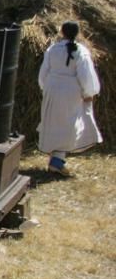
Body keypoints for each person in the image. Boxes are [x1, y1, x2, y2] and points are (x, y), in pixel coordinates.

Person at [37, 21, 102, 176]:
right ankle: (56, 162)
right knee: (68, 125)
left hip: (53, 89)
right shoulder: (81, 51)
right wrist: (89, 93)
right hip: (71, 91)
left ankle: (56, 160)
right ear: (77, 33)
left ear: (62, 32)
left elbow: (43, 72)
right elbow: (85, 75)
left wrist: (46, 87)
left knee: (53, 123)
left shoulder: (52, 49)